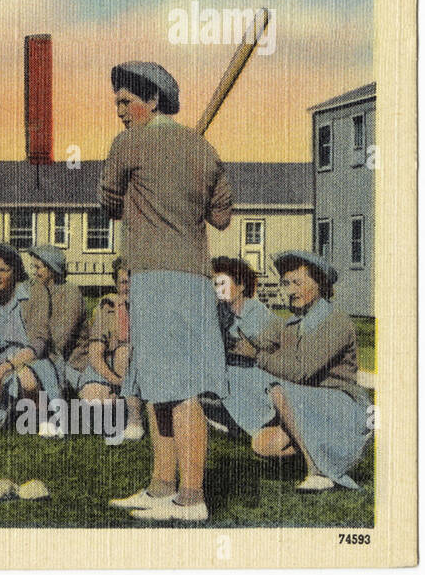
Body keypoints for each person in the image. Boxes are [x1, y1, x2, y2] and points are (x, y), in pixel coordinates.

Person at [99, 62, 233, 522]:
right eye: (117, 102)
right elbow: (221, 218)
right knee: (159, 384)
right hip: (195, 280)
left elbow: (109, 204)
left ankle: (192, 498)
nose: (119, 111)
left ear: (152, 100)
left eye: (125, 101)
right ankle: (161, 488)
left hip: (158, 277)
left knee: (182, 389)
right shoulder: (205, 149)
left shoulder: (128, 143)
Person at [231, 252, 371, 491]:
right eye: (286, 284)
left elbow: (301, 371)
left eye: (298, 282)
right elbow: (260, 341)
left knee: (277, 389)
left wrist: (255, 355)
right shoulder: (291, 324)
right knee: (262, 444)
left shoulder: (336, 321)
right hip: (305, 403)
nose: (290, 290)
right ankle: (331, 445)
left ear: (320, 284)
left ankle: (318, 471)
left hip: (340, 403)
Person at [0, 245, 61, 437]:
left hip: (31, 359)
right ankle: (10, 413)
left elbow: (39, 343)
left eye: (3, 270)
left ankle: (43, 416)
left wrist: (3, 370)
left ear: (15, 272)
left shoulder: (34, 292)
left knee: (26, 378)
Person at [66, 259, 143, 440]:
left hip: (136, 367)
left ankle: (134, 418)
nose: (129, 286)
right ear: (116, 284)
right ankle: (117, 404)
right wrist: (115, 380)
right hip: (108, 369)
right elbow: (95, 355)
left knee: (124, 353)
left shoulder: (149, 308)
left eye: (133, 280)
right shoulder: (108, 307)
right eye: (124, 282)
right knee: (95, 406)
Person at [211, 256, 278, 435]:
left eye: (222, 283)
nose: (217, 289)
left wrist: (253, 351)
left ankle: (257, 424)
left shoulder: (256, 312)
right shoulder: (220, 312)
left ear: (241, 286)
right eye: (215, 284)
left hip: (258, 371)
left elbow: (277, 351)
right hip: (231, 368)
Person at [25, 243, 88, 391]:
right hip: (44, 355)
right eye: (34, 267)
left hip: (70, 363)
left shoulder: (70, 294)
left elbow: (59, 340)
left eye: (38, 268)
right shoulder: (37, 290)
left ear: (52, 269)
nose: (35, 272)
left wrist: (31, 350)